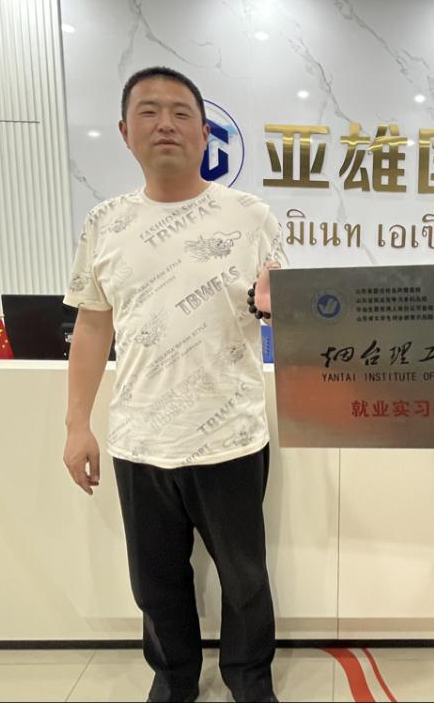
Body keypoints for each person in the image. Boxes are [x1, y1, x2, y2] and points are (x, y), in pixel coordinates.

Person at [62, 66, 283, 703]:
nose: (166, 124)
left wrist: (277, 305)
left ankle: (249, 679)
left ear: (205, 132)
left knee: (245, 579)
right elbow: (92, 327)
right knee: (155, 581)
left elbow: (283, 310)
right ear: (124, 131)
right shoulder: (105, 223)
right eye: (150, 111)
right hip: (139, 440)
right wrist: (77, 426)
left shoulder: (250, 216)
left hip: (231, 435)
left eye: (182, 112)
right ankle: (173, 676)